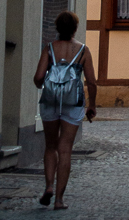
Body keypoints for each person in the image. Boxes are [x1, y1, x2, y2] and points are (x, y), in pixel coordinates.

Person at [33, 11, 96, 210]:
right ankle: (59, 200)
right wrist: (92, 105)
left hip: (51, 102)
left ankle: (49, 186)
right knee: (65, 149)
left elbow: (38, 78)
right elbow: (92, 82)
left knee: (50, 146)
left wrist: (49, 83)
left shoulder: (49, 48)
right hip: (73, 103)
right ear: (75, 28)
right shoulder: (83, 50)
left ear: (57, 28)